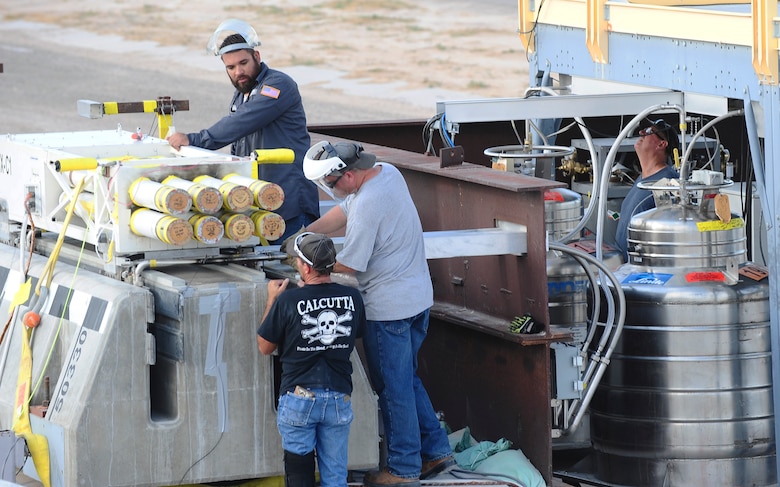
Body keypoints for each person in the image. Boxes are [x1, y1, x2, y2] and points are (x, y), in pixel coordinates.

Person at [301, 141, 455, 487]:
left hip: (389, 310)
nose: (331, 190)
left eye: (331, 183)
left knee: (392, 388)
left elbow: (350, 265)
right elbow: (343, 211)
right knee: (408, 379)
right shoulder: (387, 173)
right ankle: (436, 450)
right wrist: (306, 233)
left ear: (349, 174)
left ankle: (402, 469)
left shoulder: (369, 203)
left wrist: (305, 260)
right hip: (416, 300)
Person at [167, 19, 320, 241]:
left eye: (243, 62)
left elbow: (241, 122)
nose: (239, 71)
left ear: (257, 57)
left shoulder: (277, 86)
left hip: (289, 205)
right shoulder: (243, 91)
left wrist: (195, 140)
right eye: (231, 67)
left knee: (292, 270)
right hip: (260, 202)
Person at [257, 232, 365, 487]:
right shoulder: (353, 297)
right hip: (339, 397)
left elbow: (264, 346)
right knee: (336, 476)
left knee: (299, 476)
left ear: (305, 267)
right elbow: (356, 332)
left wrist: (272, 298)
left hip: (299, 398)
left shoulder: (288, 300)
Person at [614, 119, 681, 261]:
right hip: (623, 268)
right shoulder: (642, 179)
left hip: (641, 271)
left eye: (649, 132)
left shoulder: (667, 183)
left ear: (661, 144)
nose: (641, 132)